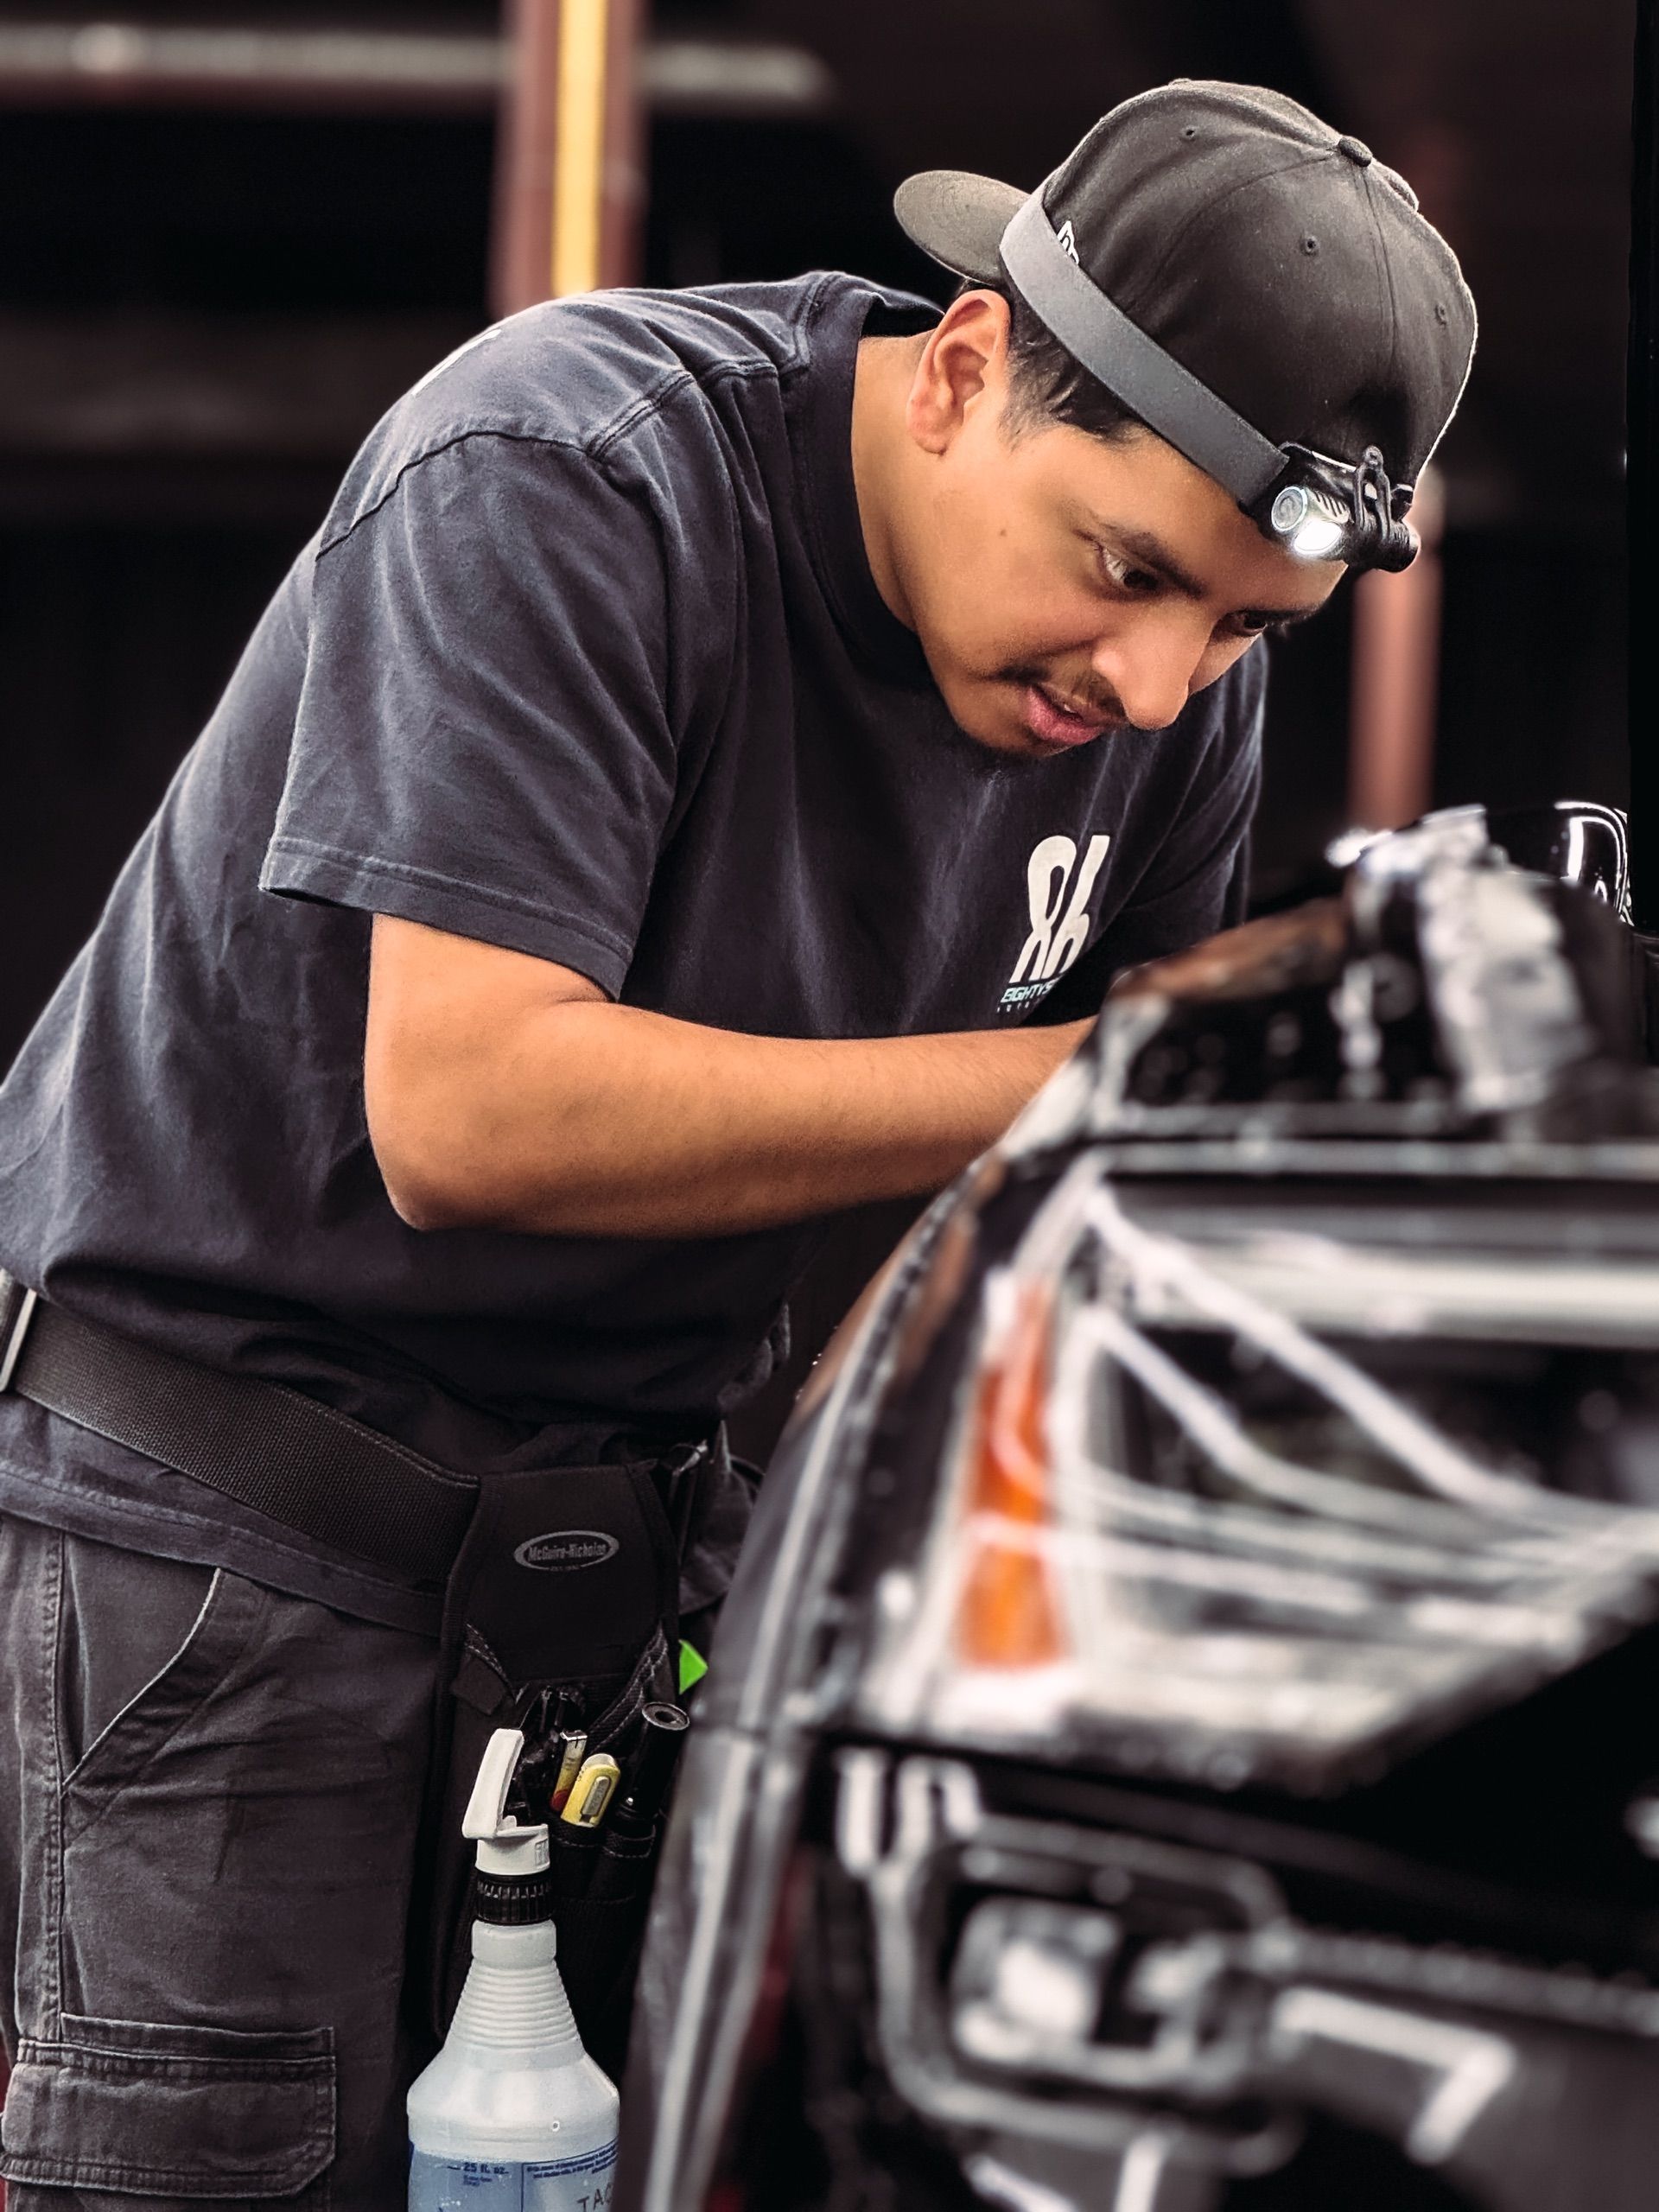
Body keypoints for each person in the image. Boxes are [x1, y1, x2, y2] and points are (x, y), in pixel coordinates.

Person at [0, 79, 1473, 2209]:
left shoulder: (1165, 690)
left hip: (626, 1566)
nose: (1160, 687)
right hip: (232, 1552)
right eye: (1130, 571)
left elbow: (1065, 1187)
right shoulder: (569, 473)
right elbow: (471, 1107)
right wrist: (1133, 1069)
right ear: (969, 368)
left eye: (1244, 626)